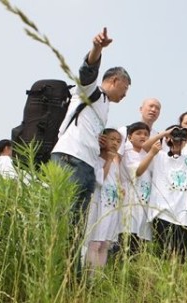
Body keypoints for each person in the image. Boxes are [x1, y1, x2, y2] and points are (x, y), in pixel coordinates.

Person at [51, 27, 131, 223]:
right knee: (63, 215)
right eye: (125, 88)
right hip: (71, 157)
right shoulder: (89, 91)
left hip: (87, 163)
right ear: (114, 80)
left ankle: (69, 255)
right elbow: (87, 71)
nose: (125, 95)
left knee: (78, 220)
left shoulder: (105, 106)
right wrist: (97, 48)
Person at [136, 125, 187, 258]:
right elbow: (145, 147)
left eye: (181, 138)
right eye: (175, 137)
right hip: (162, 213)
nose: (178, 140)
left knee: (181, 256)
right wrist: (165, 133)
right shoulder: (160, 156)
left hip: (183, 216)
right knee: (163, 254)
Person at [83, 128, 123, 277]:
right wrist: (108, 160)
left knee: (105, 244)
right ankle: (90, 277)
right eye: (112, 139)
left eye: (118, 141)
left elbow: (117, 182)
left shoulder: (116, 162)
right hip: (99, 205)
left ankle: (99, 278)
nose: (115, 143)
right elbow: (100, 179)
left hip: (111, 206)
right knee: (95, 243)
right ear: (103, 139)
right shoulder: (96, 158)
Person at [120, 122, 153, 254]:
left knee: (141, 248)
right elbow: (137, 172)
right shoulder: (127, 154)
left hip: (145, 207)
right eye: (138, 133)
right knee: (128, 245)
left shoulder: (147, 154)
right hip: (130, 207)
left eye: (146, 134)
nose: (143, 136)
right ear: (129, 137)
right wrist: (152, 154)